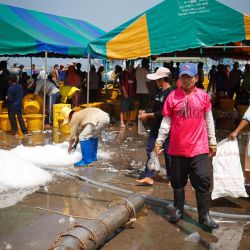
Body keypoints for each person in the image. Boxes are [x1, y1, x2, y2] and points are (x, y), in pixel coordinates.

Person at [154, 63, 218, 229]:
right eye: (183, 77)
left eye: (189, 77)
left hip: (199, 147)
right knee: (177, 181)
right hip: (177, 148)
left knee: (203, 180)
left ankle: (204, 216)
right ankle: (178, 210)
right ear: (179, 79)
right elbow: (166, 122)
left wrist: (212, 141)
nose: (186, 80)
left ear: (196, 78)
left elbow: (209, 119)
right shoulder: (172, 97)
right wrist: (159, 141)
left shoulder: (203, 96)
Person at [136, 67, 173, 186]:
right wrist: (145, 112)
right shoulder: (160, 92)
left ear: (162, 79)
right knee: (150, 149)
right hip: (156, 127)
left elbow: (164, 113)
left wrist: (148, 115)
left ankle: (172, 178)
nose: (155, 82)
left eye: (157, 79)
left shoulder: (171, 93)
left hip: (168, 128)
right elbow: (156, 109)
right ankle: (149, 176)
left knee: (168, 153)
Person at [119, 60, 136, 127]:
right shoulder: (122, 73)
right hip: (125, 94)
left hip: (131, 94)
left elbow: (134, 84)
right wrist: (125, 92)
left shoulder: (132, 74)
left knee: (129, 108)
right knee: (123, 108)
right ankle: (121, 122)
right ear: (128, 66)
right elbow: (122, 84)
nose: (132, 67)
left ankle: (128, 121)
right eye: (131, 65)